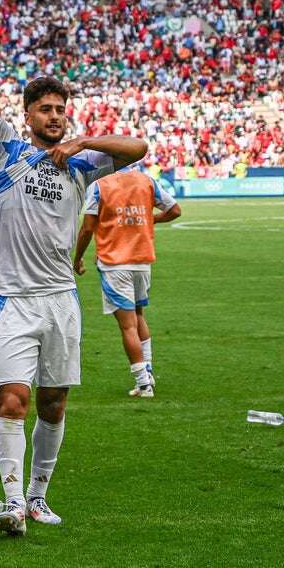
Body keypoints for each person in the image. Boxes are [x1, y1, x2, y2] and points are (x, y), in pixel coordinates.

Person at [0, 0, 147, 536]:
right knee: (14, 399)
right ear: (28, 115)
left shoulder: (81, 163)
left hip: (61, 300)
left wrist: (84, 138)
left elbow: (138, 146)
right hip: (13, 298)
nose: (54, 117)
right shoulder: (7, 150)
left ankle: (36, 496)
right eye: (45, 110)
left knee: (53, 405)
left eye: (60, 110)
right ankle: (11, 503)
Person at [73, 166, 181, 397]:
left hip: (115, 264)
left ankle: (143, 383)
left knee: (127, 325)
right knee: (139, 315)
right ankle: (148, 371)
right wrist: (150, 220)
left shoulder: (100, 185)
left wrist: (78, 257)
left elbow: (88, 228)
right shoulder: (146, 181)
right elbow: (175, 210)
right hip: (142, 261)